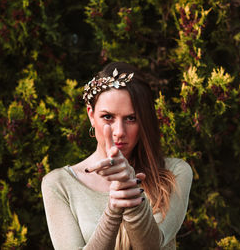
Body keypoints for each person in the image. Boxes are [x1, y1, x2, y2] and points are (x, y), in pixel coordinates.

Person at [41, 62, 193, 249]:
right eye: (108, 117)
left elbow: (153, 246)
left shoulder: (175, 172)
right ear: (91, 114)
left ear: (143, 121)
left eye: (131, 118)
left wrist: (132, 195)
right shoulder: (60, 184)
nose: (119, 131)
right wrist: (113, 212)